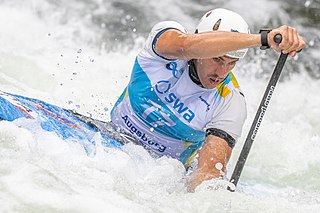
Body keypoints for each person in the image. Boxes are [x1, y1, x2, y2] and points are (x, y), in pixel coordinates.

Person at [109, 8, 305, 192]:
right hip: (108, 137)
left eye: (231, 63)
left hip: (158, 173)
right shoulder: (165, 43)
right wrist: (262, 39)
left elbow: (208, 173)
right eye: (217, 59)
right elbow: (187, 46)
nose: (221, 72)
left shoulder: (230, 102)